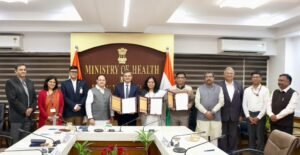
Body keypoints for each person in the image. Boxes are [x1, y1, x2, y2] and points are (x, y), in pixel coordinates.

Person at [5, 64, 37, 143]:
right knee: (15, 142)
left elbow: (34, 98)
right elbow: (12, 99)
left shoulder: (30, 82)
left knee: (25, 142)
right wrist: (25, 110)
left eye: (24, 69)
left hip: (28, 118)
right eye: (21, 69)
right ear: (15, 71)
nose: (23, 71)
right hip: (17, 118)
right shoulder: (10, 83)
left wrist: (31, 108)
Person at [218, 67, 244, 153]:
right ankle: (223, 152)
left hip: (235, 115)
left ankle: (232, 152)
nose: (229, 75)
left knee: (233, 136)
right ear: (224, 74)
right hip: (222, 114)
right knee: (222, 135)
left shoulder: (239, 85)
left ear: (234, 74)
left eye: (231, 73)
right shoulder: (218, 85)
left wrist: (241, 114)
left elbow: (242, 100)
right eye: (227, 73)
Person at [195, 72, 224, 146]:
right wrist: (206, 112)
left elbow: (221, 102)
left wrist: (212, 112)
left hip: (215, 117)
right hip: (202, 118)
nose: (209, 78)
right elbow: (197, 103)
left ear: (214, 78)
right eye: (206, 76)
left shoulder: (219, 88)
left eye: (210, 76)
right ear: (204, 79)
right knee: (202, 139)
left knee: (214, 139)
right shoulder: (199, 88)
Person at [242, 71, 269, 151]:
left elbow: (266, 105)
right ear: (251, 79)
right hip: (249, 115)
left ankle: (260, 153)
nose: (255, 78)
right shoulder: (247, 90)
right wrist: (248, 116)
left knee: (260, 136)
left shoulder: (265, 90)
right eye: (254, 77)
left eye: (257, 77)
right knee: (251, 136)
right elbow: (244, 104)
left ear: (261, 78)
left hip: (260, 115)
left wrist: (258, 117)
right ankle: (252, 152)